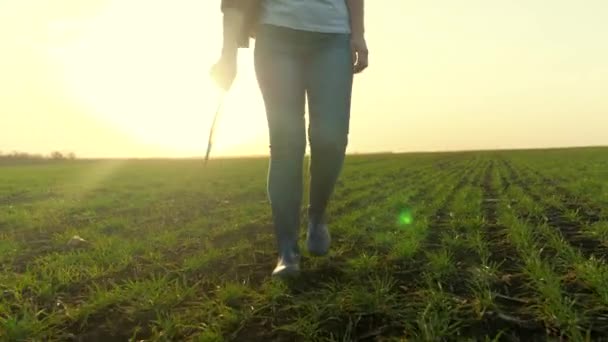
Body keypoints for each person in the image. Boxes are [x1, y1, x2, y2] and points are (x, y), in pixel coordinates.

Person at [211, 0, 368, 277]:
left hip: (333, 38)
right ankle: (287, 251)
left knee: (331, 139)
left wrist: (359, 33)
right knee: (286, 144)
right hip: (275, 37)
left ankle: (317, 215)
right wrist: (228, 54)